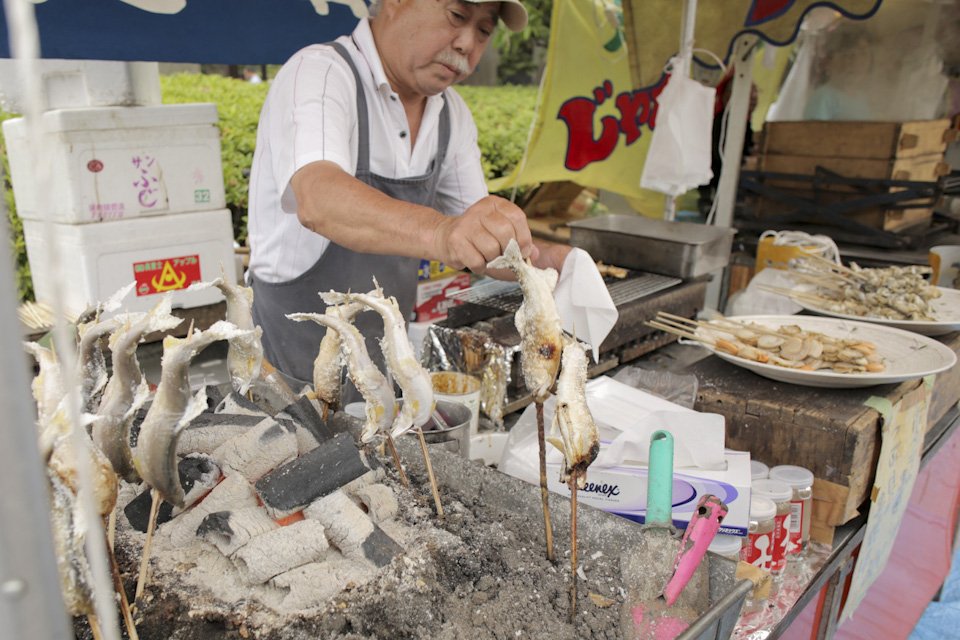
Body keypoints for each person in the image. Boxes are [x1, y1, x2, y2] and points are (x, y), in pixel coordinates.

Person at [246, 0, 572, 390]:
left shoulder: (451, 114)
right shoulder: (318, 73)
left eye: (484, 30)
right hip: (291, 367)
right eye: (457, 16)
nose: (468, 43)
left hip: (382, 368)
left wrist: (551, 262)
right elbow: (318, 198)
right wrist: (441, 233)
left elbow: (482, 244)